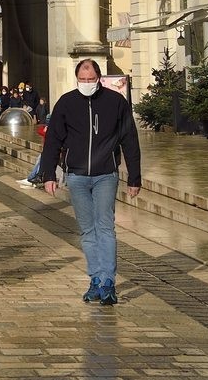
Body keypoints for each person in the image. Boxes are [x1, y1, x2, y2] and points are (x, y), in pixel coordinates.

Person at [39, 58, 141, 306]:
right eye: (82, 80)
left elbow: (130, 139)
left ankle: (108, 282)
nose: (86, 83)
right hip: (77, 176)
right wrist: (48, 174)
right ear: (77, 79)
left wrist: (134, 177)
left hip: (106, 173)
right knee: (87, 230)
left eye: (91, 79)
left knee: (105, 227)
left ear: (99, 79)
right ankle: (95, 279)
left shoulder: (115, 102)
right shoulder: (67, 102)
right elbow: (53, 140)